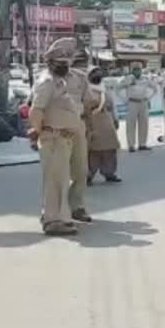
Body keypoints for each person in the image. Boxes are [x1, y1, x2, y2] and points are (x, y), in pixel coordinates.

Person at [28, 39, 82, 236]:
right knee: (55, 181)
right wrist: (37, 133)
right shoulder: (47, 82)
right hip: (53, 137)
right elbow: (36, 110)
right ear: (50, 63)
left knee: (60, 180)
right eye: (60, 63)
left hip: (62, 138)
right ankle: (54, 220)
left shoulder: (59, 81)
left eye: (66, 62)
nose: (64, 66)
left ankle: (57, 216)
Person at [63, 45, 93, 224]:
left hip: (78, 124)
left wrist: (89, 127)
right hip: (56, 128)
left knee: (80, 169)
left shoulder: (81, 79)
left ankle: (77, 207)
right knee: (58, 173)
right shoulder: (50, 78)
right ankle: (57, 211)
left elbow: (87, 103)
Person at [86, 67, 122, 185]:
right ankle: (88, 175)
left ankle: (109, 173)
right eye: (94, 73)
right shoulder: (85, 90)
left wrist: (115, 119)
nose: (97, 74)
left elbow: (112, 106)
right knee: (93, 151)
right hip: (92, 122)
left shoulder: (104, 90)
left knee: (110, 149)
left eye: (99, 72)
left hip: (107, 122)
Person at [119, 61, 159, 152]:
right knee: (131, 125)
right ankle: (131, 145)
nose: (137, 71)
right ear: (131, 70)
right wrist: (124, 99)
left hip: (143, 103)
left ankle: (142, 144)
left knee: (144, 124)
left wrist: (148, 98)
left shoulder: (145, 79)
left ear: (141, 70)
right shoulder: (127, 79)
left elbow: (155, 88)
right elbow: (118, 89)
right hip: (132, 103)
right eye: (135, 69)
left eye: (138, 69)